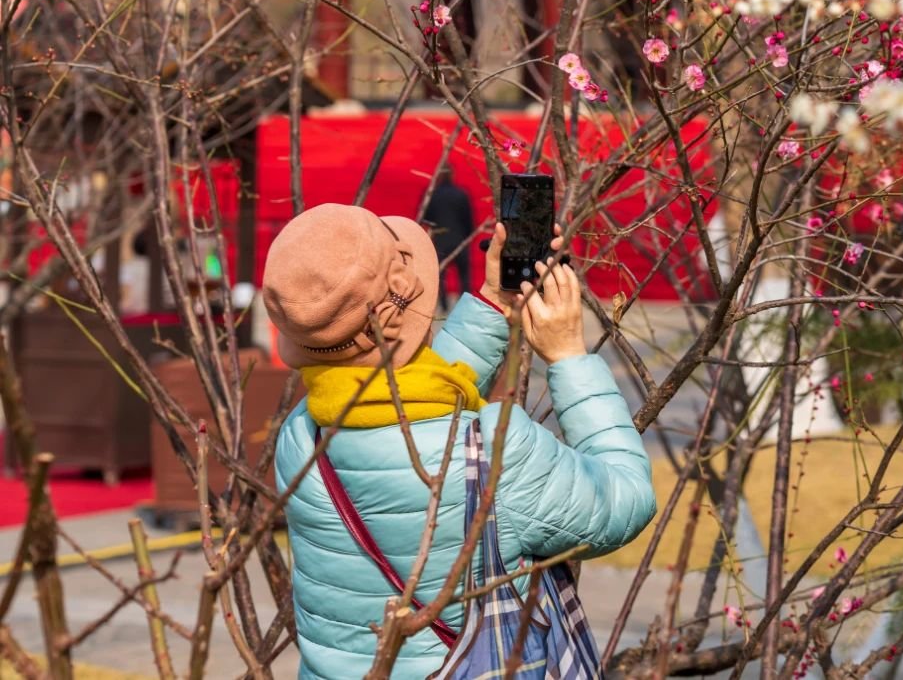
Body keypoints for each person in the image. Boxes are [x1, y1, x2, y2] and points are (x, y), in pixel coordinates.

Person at [264, 203, 656, 679]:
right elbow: (627, 501)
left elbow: (410, 406)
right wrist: (570, 357)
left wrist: (493, 303)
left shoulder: (302, 437)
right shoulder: (493, 451)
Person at [421, 165, 474, 311]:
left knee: (440, 276)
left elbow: (424, 217)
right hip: (459, 240)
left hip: (440, 241)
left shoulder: (432, 195)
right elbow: (469, 219)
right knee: (464, 277)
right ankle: (464, 306)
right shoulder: (461, 194)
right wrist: (467, 238)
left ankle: (443, 306)